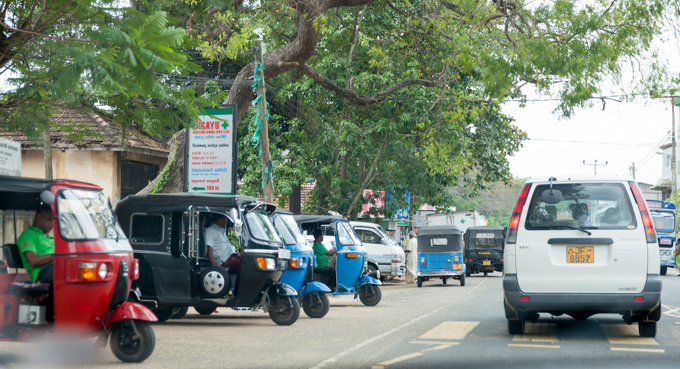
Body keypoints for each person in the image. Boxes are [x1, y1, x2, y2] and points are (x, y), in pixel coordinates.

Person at [17, 205, 55, 284]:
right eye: (50, 220)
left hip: (56, 267)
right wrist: (57, 256)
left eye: (54, 221)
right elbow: (33, 260)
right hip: (42, 272)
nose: (53, 224)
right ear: (39, 217)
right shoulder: (28, 234)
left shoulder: (51, 237)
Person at [205, 215, 237, 295]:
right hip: (225, 260)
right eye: (226, 218)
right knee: (245, 263)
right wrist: (214, 265)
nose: (227, 221)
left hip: (232, 256)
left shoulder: (222, 231)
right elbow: (209, 249)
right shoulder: (210, 230)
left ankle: (236, 292)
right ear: (220, 218)